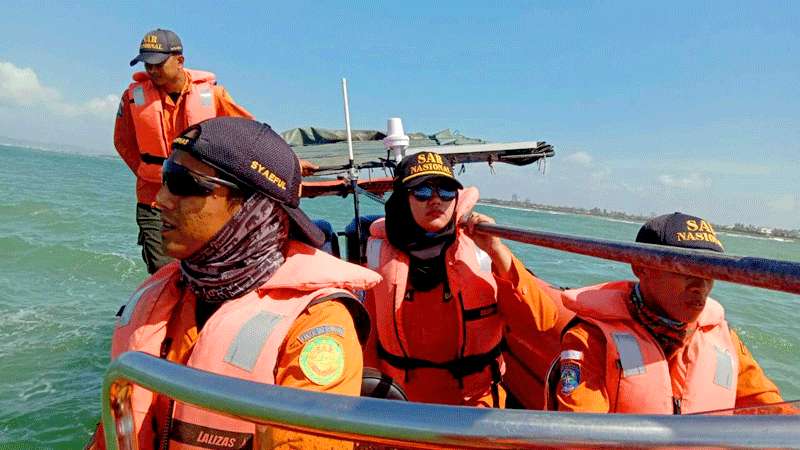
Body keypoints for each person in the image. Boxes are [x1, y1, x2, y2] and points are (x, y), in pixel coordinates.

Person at [88, 117, 381, 449]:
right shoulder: (164, 294)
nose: (160, 199)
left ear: (252, 209)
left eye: (184, 183)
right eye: (166, 176)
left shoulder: (316, 321)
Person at [363, 151, 559, 407]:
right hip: (402, 403)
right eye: (422, 191)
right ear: (402, 199)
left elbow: (541, 321)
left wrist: (497, 251)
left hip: (474, 403)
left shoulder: (482, 250)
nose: (435, 200)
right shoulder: (379, 252)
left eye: (445, 191)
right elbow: (367, 335)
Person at [552, 212, 791, 414]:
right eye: (685, 269)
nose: (701, 285)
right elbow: (579, 432)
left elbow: (772, 409)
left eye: (711, 270)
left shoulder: (725, 341)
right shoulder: (592, 339)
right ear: (641, 267)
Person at [115, 28, 256, 274]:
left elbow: (249, 137)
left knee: (208, 265)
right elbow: (123, 142)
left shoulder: (214, 96)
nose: (152, 70)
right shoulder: (132, 98)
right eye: (146, 64)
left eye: (158, 63)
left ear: (179, 60)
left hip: (201, 197)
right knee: (164, 270)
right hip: (153, 198)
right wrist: (147, 171)